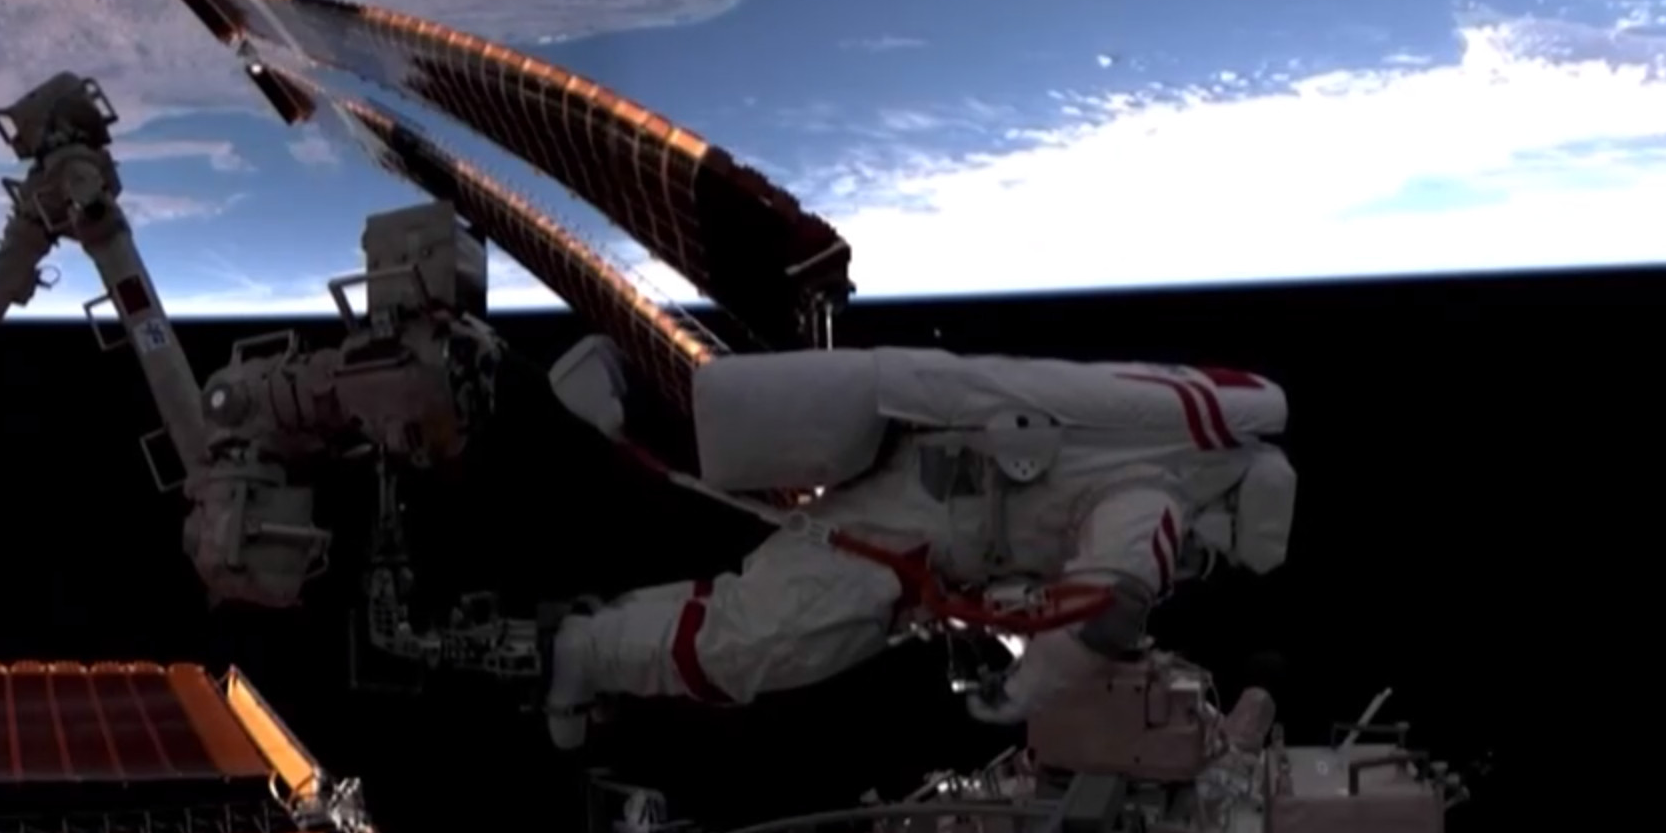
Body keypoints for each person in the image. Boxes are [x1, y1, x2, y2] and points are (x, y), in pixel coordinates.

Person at [541, 339, 1297, 748]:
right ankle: (587, 652)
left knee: (751, 608)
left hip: (919, 511)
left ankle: (618, 627)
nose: (1197, 562)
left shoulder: (1165, 444)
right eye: (1214, 550)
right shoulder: (1161, 494)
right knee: (754, 646)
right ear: (1228, 512)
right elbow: (1109, 603)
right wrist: (1021, 693)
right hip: (904, 538)